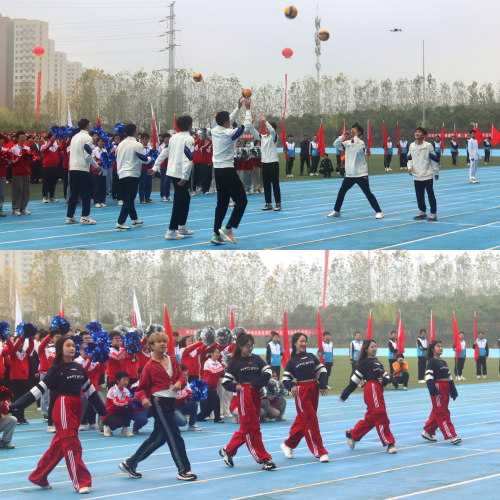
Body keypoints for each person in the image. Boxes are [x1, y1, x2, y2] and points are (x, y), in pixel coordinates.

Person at [10, 336, 107, 494]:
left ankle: (38, 476)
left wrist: (103, 412)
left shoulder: (78, 367)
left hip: (76, 406)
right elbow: (39, 390)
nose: (72, 348)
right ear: (60, 349)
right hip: (63, 407)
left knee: (59, 446)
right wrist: (18, 404)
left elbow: (90, 391)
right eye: (68, 345)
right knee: (72, 444)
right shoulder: (55, 369)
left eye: (73, 345)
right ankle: (81, 482)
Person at [118, 331, 197, 481]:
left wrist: (180, 382)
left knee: (159, 438)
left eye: (164, 341)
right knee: (174, 434)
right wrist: (143, 399)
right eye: (159, 342)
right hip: (158, 402)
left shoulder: (173, 360)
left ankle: (130, 463)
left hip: (170, 401)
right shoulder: (149, 366)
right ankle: (184, 469)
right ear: (151, 346)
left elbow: (182, 378)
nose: (162, 344)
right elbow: (141, 388)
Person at [220, 333, 275, 470]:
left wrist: (256, 383)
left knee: (249, 426)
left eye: (252, 345)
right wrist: (235, 387)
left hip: (255, 393)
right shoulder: (235, 362)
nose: (250, 348)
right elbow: (226, 382)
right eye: (247, 346)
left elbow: (268, 372)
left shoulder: (256, 358)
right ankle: (264, 458)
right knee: (252, 428)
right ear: (240, 346)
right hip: (244, 395)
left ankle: (228, 450)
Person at [339, 339, 397, 453]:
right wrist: (345, 394)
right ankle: (390, 443)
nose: (375, 348)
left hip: (378, 390)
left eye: (375, 346)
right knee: (380, 415)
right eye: (372, 347)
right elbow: (354, 381)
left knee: (371, 419)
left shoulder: (378, 362)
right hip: (372, 390)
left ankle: (353, 434)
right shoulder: (364, 362)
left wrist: (384, 380)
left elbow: (387, 377)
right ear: (366, 349)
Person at [209, 98, 252, 245]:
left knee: (222, 204)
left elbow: (228, 120)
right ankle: (228, 228)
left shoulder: (214, 129)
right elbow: (247, 126)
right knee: (242, 201)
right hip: (227, 169)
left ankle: (216, 235)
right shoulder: (229, 133)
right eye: (229, 120)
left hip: (217, 170)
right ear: (227, 123)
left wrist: (238, 108)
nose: (230, 121)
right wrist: (247, 109)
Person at [281, 332, 329, 462]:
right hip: (302, 392)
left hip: (314, 389)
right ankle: (320, 451)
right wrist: (292, 385)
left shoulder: (311, 356)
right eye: (301, 341)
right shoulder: (292, 361)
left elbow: (322, 370)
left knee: (304, 420)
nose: (304, 344)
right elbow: (285, 379)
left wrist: (323, 384)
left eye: (305, 341)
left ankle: (288, 444)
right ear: (295, 343)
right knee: (311, 420)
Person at [151, 116, 195, 241]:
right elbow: (188, 158)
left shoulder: (173, 138)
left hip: (173, 172)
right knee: (179, 201)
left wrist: (155, 166)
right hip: (181, 174)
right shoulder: (189, 139)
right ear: (189, 126)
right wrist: (185, 176)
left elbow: (164, 153)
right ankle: (171, 230)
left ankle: (181, 226)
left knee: (186, 198)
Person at [329, 123, 383, 219]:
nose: (352, 130)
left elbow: (359, 151)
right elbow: (335, 144)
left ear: (359, 133)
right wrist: (343, 136)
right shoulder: (347, 143)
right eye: (352, 129)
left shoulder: (361, 143)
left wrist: (356, 138)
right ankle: (336, 211)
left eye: (355, 129)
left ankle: (379, 212)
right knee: (341, 191)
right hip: (350, 174)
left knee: (367, 193)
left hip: (361, 174)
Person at [422, 340, 461, 445]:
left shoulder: (443, 362)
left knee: (438, 411)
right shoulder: (431, 362)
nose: (441, 348)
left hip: (445, 388)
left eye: (441, 346)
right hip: (438, 389)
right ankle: (452, 435)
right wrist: (434, 391)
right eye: (438, 346)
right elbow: (428, 378)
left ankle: (428, 431)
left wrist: (453, 391)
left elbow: (449, 378)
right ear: (432, 349)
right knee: (442, 412)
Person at [115, 123, 151, 231]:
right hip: (131, 173)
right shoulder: (137, 144)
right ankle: (120, 223)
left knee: (128, 198)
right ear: (135, 132)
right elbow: (143, 159)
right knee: (129, 199)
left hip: (121, 173)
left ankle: (134, 218)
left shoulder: (121, 144)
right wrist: (150, 158)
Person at [66, 119, 102, 225]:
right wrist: (96, 166)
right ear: (87, 125)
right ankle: (85, 216)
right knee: (86, 193)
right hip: (82, 168)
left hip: (73, 168)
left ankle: (70, 216)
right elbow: (87, 155)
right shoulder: (87, 138)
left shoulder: (74, 137)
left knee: (74, 194)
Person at [407, 127, 440, 222]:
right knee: (419, 195)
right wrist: (409, 167)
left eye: (419, 132)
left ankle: (433, 213)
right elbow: (409, 158)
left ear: (423, 135)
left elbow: (434, 159)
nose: (416, 133)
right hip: (416, 175)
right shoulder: (412, 146)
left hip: (427, 174)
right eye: (416, 132)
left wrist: (436, 171)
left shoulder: (428, 146)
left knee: (430, 194)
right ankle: (422, 211)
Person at [251, 114, 282, 211]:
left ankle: (278, 203)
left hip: (273, 163)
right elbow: (253, 132)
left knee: (275, 184)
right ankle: (268, 203)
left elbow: (272, 131)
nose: (266, 128)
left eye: (268, 127)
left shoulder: (274, 137)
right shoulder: (262, 137)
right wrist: (251, 122)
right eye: (266, 128)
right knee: (266, 184)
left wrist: (265, 121)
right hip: (265, 163)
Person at [5, 334, 35, 424]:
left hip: (24, 378)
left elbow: (31, 346)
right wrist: (20, 337)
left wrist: (30, 336)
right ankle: (15, 417)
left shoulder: (25, 353)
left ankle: (21, 417)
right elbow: (14, 348)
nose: (21, 344)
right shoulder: (12, 353)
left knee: (23, 399)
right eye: (20, 343)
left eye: (22, 343)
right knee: (15, 399)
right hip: (15, 379)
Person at [38, 329, 61, 428]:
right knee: (45, 395)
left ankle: (56, 413)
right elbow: (43, 344)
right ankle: (45, 414)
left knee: (56, 395)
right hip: (45, 373)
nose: (58, 338)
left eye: (60, 337)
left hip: (57, 374)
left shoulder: (61, 349)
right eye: (56, 337)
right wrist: (50, 334)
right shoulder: (45, 348)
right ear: (51, 339)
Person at [102, 371, 134, 437]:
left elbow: (130, 403)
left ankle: (124, 430)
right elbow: (117, 403)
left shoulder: (126, 391)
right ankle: (107, 426)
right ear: (118, 381)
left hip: (118, 413)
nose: (126, 382)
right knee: (119, 422)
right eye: (124, 380)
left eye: (127, 380)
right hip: (108, 415)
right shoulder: (112, 390)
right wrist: (129, 400)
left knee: (130, 408)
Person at [196, 346, 225, 423]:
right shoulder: (207, 362)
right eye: (216, 352)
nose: (218, 354)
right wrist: (224, 367)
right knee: (216, 399)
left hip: (214, 386)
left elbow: (222, 372)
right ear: (211, 353)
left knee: (210, 406)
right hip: (206, 386)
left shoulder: (218, 363)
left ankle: (198, 417)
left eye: (219, 353)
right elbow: (213, 371)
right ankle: (217, 418)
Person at [10, 131, 32, 216]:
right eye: (22, 137)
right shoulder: (14, 149)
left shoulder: (28, 148)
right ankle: (15, 208)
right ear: (17, 139)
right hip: (17, 173)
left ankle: (23, 208)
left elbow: (29, 161)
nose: (23, 139)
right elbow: (11, 161)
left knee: (26, 191)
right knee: (17, 190)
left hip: (26, 172)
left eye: (24, 137)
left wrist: (32, 158)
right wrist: (20, 158)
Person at [174, 364, 202, 431]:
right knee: (183, 422)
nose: (185, 373)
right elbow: (177, 397)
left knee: (193, 403)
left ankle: (192, 424)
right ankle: (169, 422)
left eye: (185, 371)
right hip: (173, 408)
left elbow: (189, 397)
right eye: (183, 371)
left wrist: (196, 395)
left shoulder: (186, 383)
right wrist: (189, 393)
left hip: (182, 407)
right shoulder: (173, 383)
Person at [91, 137, 108, 208]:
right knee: (97, 186)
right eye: (100, 141)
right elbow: (93, 161)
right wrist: (100, 161)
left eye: (103, 142)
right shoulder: (94, 151)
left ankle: (102, 201)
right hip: (96, 171)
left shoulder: (105, 150)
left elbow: (107, 160)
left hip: (103, 170)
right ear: (97, 142)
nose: (102, 143)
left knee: (103, 186)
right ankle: (97, 201)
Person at [138, 133, 154, 204]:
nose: (146, 140)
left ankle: (147, 197)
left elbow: (153, 156)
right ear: (141, 139)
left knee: (148, 183)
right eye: (145, 138)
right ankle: (142, 198)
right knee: (142, 184)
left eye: (148, 138)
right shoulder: (139, 147)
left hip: (149, 167)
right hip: (142, 168)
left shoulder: (150, 147)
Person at [159, 133, 172, 202]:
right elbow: (163, 155)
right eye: (167, 137)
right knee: (164, 182)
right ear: (164, 138)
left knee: (169, 182)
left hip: (170, 166)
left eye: (169, 137)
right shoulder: (161, 146)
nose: (169, 139)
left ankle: (168, 195)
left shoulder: (171, 146)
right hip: (164, 166)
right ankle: (163, 196)